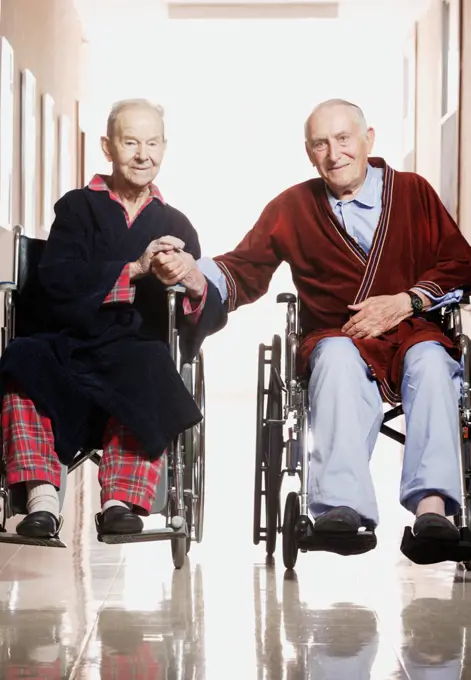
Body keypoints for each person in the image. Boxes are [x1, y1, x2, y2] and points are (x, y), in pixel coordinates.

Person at [152, 98, 471, 560]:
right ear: (309, 152)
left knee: (433, 362)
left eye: (344, 139)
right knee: (337, 358)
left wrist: (407, 301)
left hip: (413, 331)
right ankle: (340, 508)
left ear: (369, 140)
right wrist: (193, 272)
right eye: (321, 143)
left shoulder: (414, 192)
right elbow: (245, 266)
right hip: (338, 337)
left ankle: (433, 510)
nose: (334, 153)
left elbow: (459, 262)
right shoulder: (292, 206)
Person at [0, 98, 226, 538]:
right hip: (69, 342)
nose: (143, 154)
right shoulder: (77, 208)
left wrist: (193, 281)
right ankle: (41, 499)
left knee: (150, 365)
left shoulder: (176, 222)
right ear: (108, 146)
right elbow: (56, 283)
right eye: (130, 141)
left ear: (164, 147)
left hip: (133, 349)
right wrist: (135, 270)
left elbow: (201, 316)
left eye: (153, 142)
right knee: (22, 357)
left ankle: (121, 502)